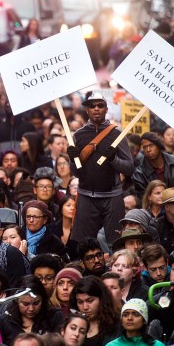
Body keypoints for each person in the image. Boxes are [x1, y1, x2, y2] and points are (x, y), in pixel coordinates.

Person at [68, 91, 134, 247]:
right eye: (92, 106)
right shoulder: (78, 135)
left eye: (100, 105)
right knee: (84, 244)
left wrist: (113, 159)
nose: (96, 108)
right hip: (86, 196)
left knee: (116, 243)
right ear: (87, 110)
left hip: (112, 197)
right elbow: (77, 172)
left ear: (106, 109)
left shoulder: (117, 134)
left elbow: (129, 168)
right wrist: (73, 160)